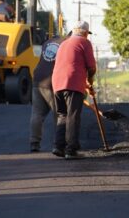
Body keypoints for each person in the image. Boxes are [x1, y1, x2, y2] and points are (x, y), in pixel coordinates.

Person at [51, 21, 96, 159]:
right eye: (87, 34)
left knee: (63, 115)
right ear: (84, 32)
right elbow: (91, 67)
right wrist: (91, 82)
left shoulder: (64, 43)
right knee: (73, 115)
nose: (87, 36)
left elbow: (70, 64)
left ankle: (59, 147)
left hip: (57, 83)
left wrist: (86, 84)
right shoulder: (84, 43)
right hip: (72, 83)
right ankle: (71, 150)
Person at [29, 35, 67, 153]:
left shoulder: (47, 42)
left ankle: (34, 143)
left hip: (38, 79)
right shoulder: (66, 44)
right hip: (52, 82)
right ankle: (59, 145)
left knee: (37, 113)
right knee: (60, 114)